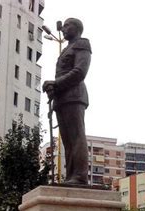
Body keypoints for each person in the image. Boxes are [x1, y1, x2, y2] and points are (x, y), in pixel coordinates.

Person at [43, 18, 91, 185]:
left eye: (67, 25)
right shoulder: (66, 49)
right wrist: (53, 89)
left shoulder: (82, 44)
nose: (63, 29)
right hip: (62, 98)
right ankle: (72, 176)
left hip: (74, 96)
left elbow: (79, 72)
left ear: (76, 28)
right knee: (67, 141)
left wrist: (55, 83)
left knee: (76, 136)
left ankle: (80, 176)